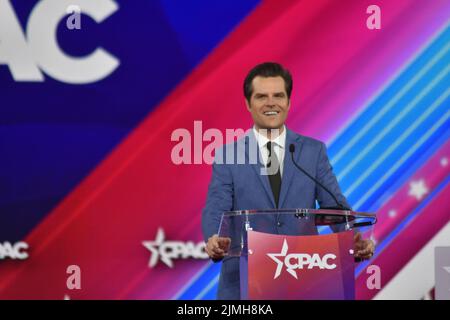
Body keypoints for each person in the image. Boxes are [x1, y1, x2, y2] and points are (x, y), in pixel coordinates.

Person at [202, 62, 374, 300]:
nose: (271, 103)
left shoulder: (312, 151)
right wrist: (213, 237)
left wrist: (350, 236)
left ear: (288, 102)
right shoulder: (228, 155)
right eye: (262, 96)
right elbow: (216, 208)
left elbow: (334, 206)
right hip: (245, 286)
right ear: (248, 104)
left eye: (278, 96)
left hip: (303, 280)